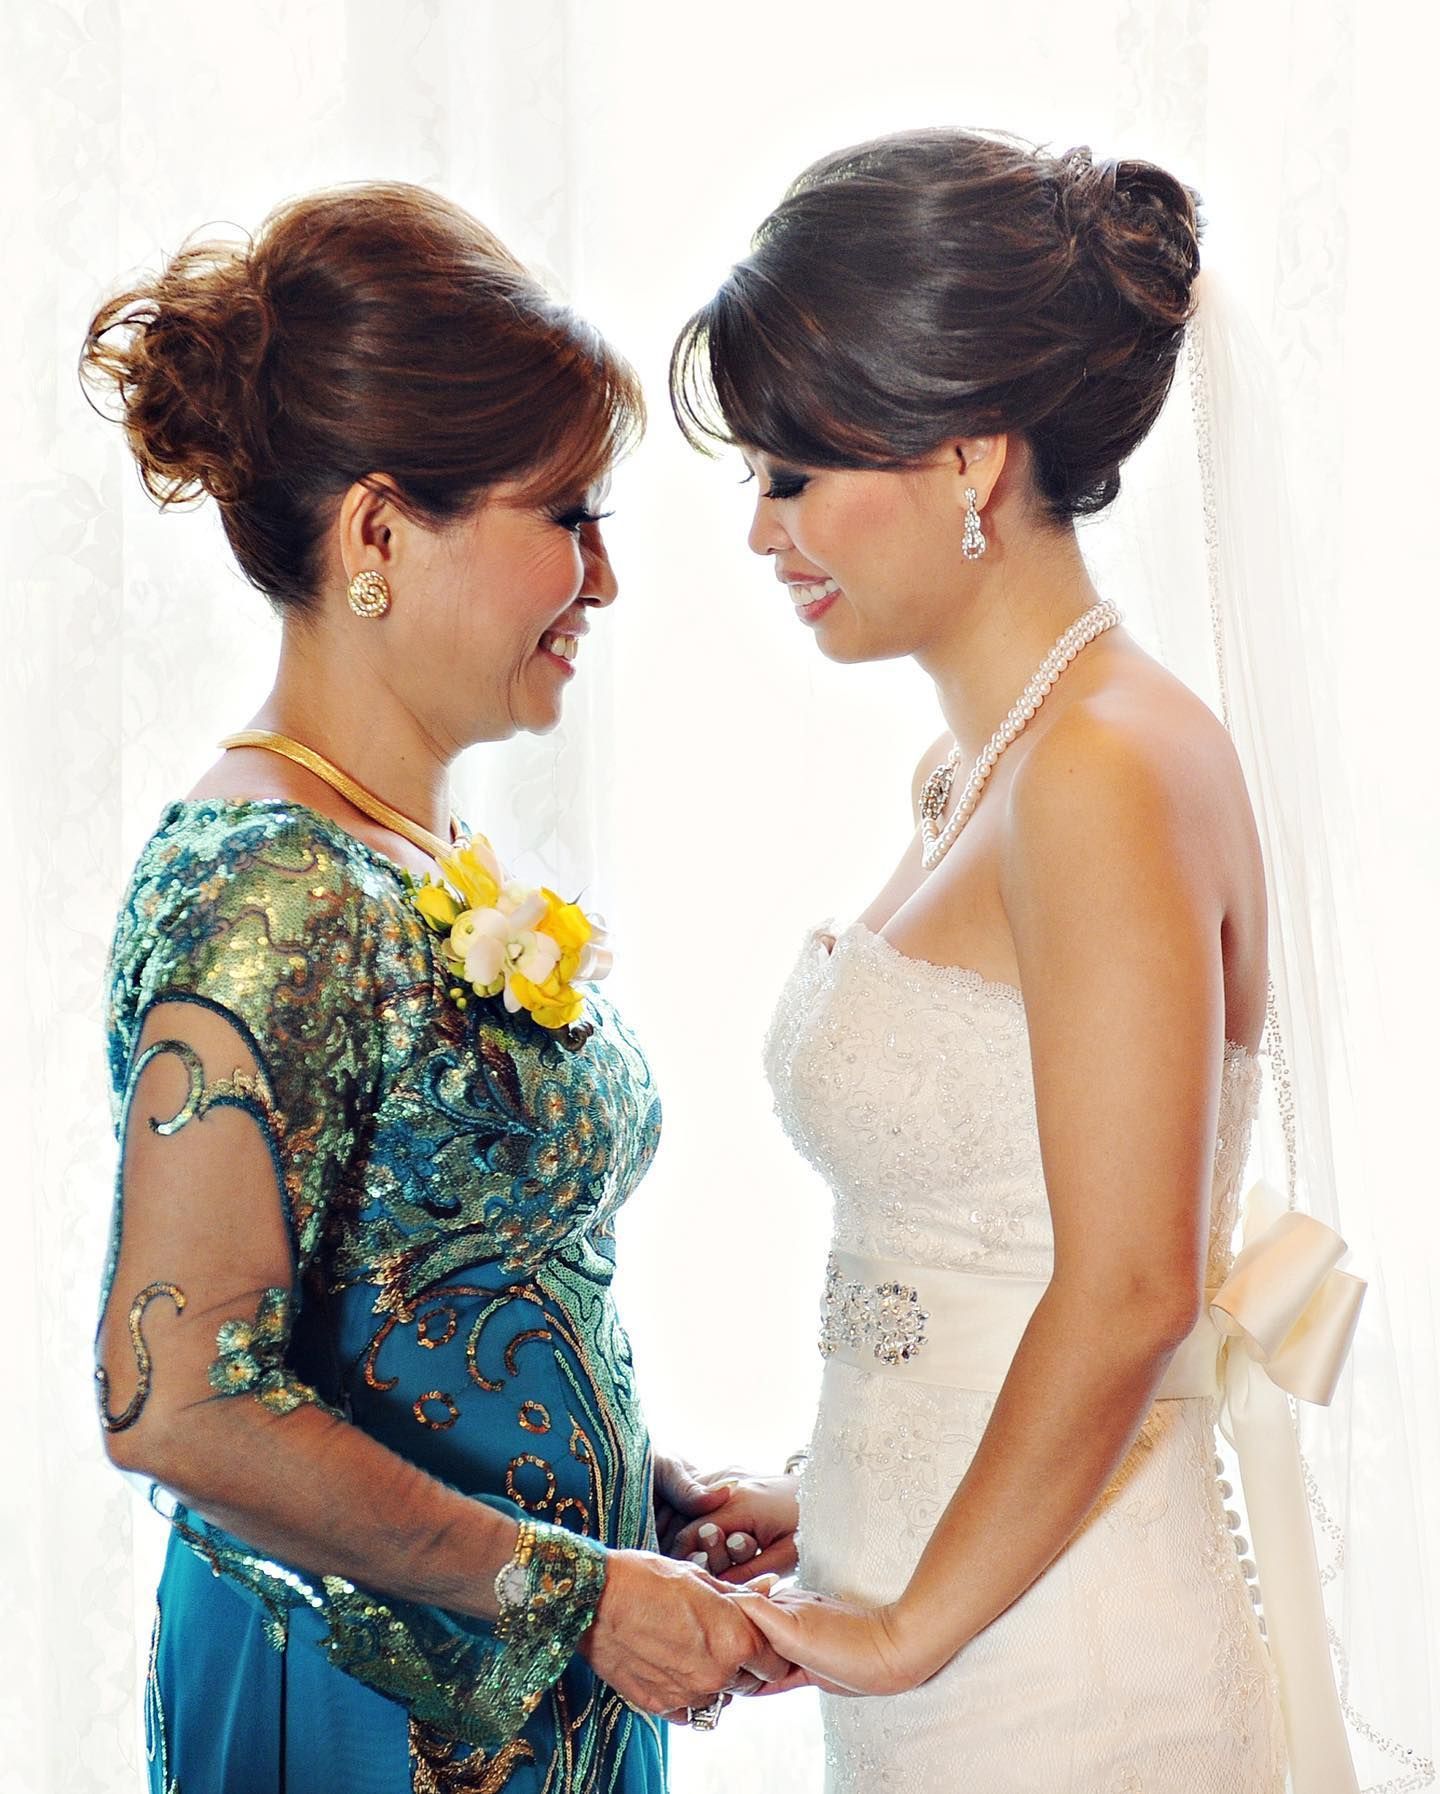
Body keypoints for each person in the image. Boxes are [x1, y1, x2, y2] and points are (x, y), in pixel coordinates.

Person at [668, 130, 1361, 1793]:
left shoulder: (1107, 771)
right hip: (954, 1617)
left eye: (791, 474)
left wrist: (910, 1626)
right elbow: (974, 1255)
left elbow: (1126, 1286)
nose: (765, 534)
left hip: (1060, 1679)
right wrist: (827, 1497)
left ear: (968, 457)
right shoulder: (992, 763)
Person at [84, 180, 781, 1794]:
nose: (600, 580)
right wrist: (574, 1580)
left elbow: (427, 1295)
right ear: (384, 532)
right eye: (569, 517)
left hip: (530, 1686)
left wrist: (635, 1507)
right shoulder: (265, 890)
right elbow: (176, 1404)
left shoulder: (396, 840)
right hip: (363, 1708)